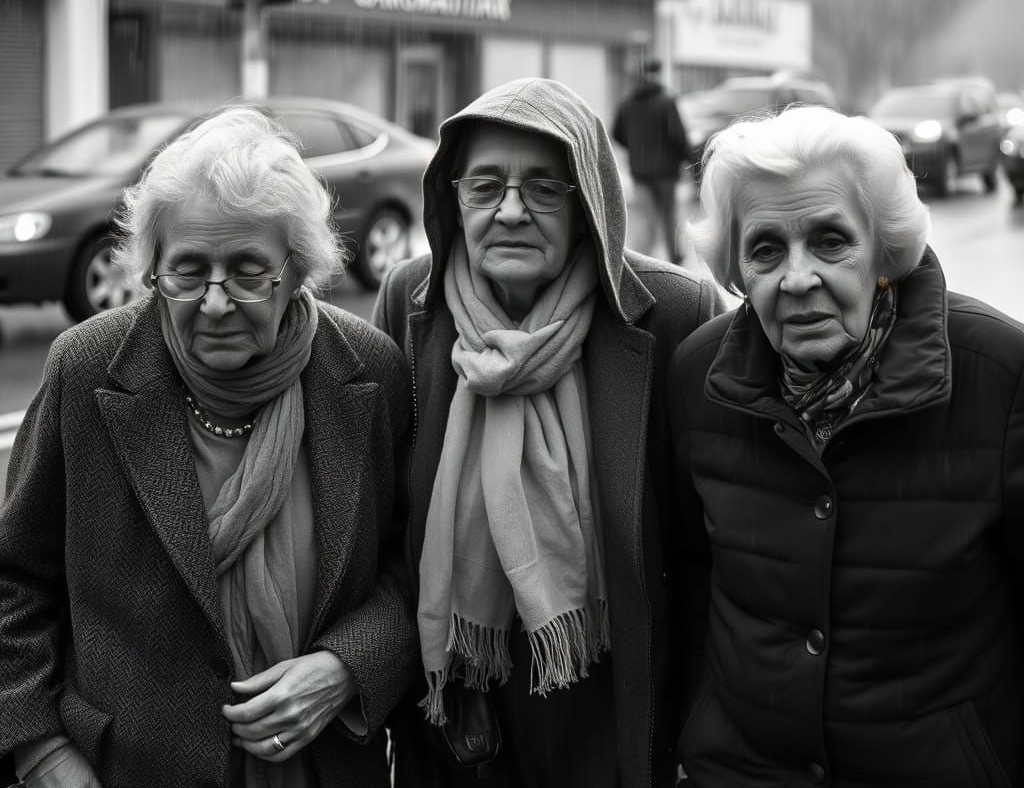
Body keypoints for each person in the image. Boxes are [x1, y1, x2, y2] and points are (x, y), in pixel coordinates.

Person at [0, 107, 417, 788]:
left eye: (249, 272)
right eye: (188, 271)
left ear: (298, 269)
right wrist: (41, 752)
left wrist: (347, 667)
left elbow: (412, 566)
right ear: (152, 270)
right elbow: (15, 580)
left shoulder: (369, 373)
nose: (215, 303)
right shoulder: (86, 371)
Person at [372, 76, 723, 788]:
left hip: (611, 711)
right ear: (452, 198)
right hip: (458, 714)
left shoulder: (676, 313)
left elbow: (706, 557)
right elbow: (381, 527)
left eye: (542, 187)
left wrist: (696, 736)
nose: (510, 211)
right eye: (485, 186)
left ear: (588, 199)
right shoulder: (410, 304)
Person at [670, 104, 1024, 785]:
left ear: (884, 251)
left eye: (830, 241)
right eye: (766, 249)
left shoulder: (1001, 375)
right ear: (737, 270)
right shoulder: (698, 377)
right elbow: (690, 581)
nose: (798, 278)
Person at [612, 58, 690, 265]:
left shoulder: (627, 102)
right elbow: (678, 136)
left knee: (644, 217)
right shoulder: (666, 101)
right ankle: (675, 259)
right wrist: (687, 158)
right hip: (666, 172)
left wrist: (635, 149)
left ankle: (642, 262)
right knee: (669, 215)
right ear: (658, 74)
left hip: (639, 171)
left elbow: (617, 133)